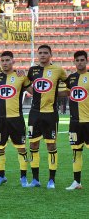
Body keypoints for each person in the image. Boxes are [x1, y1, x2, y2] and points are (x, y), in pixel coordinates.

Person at [26, 45, 67, 188]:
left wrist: (58, 94)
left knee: (51, 145)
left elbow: (70, 85)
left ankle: (51, 180)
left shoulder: (58, 70)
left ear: (51, 54)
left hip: (50, 114)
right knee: (33, 144)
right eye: (40, 53)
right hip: (34, 114)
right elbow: (29, 87)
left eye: (45, 53)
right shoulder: (32, 70)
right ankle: (35, 179)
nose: (42, 55)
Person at [0, 51, 31, 187]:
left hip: (16, 119)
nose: (4, 63)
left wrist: (26, 76)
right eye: (2, 60)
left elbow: (33, 91)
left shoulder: (20, 77)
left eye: (7, 60)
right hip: (0, 119)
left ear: (13, 61)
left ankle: (23, 177)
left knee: (21, 148)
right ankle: (1, 176)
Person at [64, 50, 89, 190]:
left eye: (82, 60)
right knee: (76, 151)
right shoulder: (71, 79)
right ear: (74, 62)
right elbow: (64, 92)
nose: (80, 62)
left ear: (86, 60)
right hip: (74, 122)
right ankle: (77, 182)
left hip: (88, 121)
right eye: (77, 60)